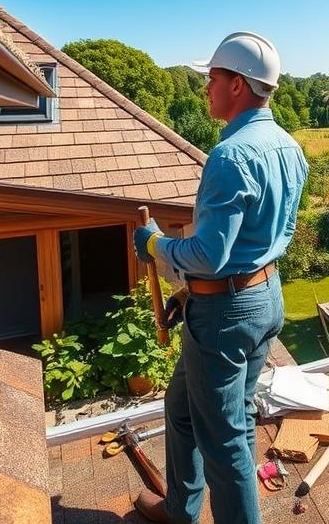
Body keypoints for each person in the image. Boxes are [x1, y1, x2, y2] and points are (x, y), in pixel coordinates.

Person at [132, 32, 308, 524]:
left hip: (225, 316)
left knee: (226, 440)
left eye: (211, 79)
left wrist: (153, 244)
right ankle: (180, 509)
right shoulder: (289, 148)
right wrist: (192, 293)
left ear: (237, 84)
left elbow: (209, 254)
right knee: (185, 409)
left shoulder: (231, 157)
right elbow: (285, 230)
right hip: (261, 299)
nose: (205, 88)